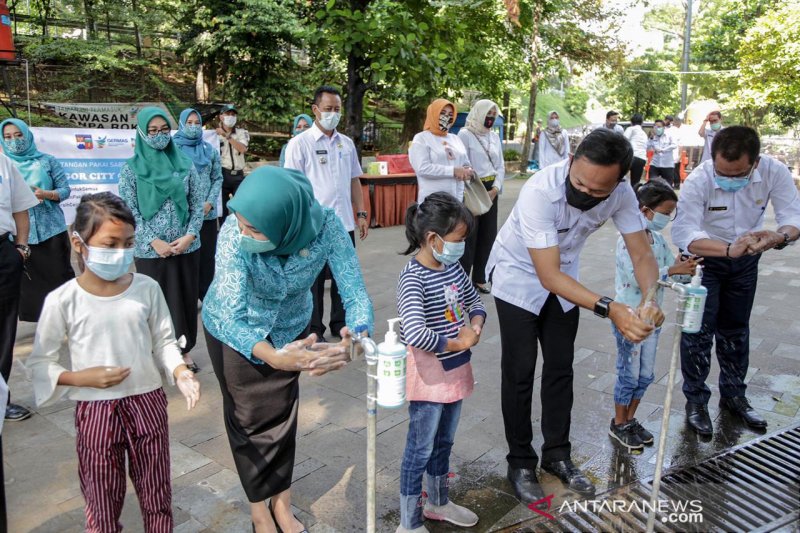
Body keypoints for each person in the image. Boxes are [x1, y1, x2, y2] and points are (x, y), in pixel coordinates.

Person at [485, 129, 663, 503]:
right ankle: (519, 461)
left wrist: (649, 298)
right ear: (570, 162)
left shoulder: (623, 195)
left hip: (567, 277)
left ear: (619, 183)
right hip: (519, 275)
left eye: (598, 192)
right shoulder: (540, 192)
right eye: (579, 182)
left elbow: (643, 254)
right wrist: (611, 307)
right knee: (519, 372)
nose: (584, 193)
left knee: (561, 368)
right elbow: (546, 276)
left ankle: (557, 456)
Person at [202, 167, 374, 533]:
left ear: (288, 220)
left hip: (291, 329)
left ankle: (282, 504)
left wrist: (355, 339)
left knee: (282, 417)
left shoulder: (326, 225)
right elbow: (232, 317)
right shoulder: (235, 232)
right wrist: (273, 356)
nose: (245, 233)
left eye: (256, 229)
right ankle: (259, 512)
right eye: (242, 225)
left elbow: (354, 289)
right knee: (248, 420)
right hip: (236, 330)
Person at [27, 192, 201, 533]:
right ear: (80, 243)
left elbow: (164, 340)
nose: (121, 253)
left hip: (147, 400)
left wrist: (180, 371)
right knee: (101, 494)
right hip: (94, 410)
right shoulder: (64, 300)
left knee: (156, 490)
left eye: (129, 243)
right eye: (110, 243)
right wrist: (80, 378)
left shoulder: (147, 288)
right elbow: (40, 363)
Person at [671, 126, 800, 436]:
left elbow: (793, 217)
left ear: (755, 162)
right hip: (702, 261)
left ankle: (734, 397)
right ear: (713, 159)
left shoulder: (774, 171)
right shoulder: (700, 180)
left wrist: (778, 236)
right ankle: (696, 402)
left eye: (737, 173)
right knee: (698, 333)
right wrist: (727, 249)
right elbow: (684, 233)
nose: (728, 179)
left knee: (736, 330)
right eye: (721, 172)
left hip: (745, 261)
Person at [396, 192, 485, 532]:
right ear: (433, 238)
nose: (461, 246)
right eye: (458, 239)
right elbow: (415, 332)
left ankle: (438, 502)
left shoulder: (452, 268)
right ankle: (409, 521)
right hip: (428, 375)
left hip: (456, 367)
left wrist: (474, 327)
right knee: (419, 448)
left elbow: (475, 301)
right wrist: (455, 341)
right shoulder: (412, 277)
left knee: (444, 442)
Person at [609, 181, 701, 452]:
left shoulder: (659, 241)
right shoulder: (626, 241)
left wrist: (688, 268)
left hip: (653, 319)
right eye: (665, 212)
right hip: (630, 317)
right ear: (646, 211)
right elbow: (636, 278)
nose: (667, 218)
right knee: (628, 374)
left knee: (646, 375)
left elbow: (674, 274)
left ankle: (630, 419)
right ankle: (619, 422)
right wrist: (671, 271)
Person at [118, 107, 205, 372]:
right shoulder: (130, 170)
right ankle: (157, 352)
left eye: (164, 130)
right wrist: (153, 240)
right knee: (154, 302)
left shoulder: (184, 164)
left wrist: (190, 235)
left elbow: (198, 203)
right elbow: (128, 210)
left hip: (185, 247)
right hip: (150, 250)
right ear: (142, 133)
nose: (159, 136)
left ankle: (183, 350)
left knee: (185, 299)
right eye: (153, 131)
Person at [284, 85, 370, 342]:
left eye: (337, 109)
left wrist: (362, 212)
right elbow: (292, 187)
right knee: (313, 281)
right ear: (315, 110)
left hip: (343, 224)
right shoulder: (299, 144)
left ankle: (341, 323)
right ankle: (313, 329)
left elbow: (355, 180)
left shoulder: (347, 144)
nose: (333, 114)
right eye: (328, 109)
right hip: (312, 226)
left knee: (344, 277)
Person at [1, 118, 74, 325]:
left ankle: (66, 319)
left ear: (27, 134)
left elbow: (65, 190)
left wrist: (47, 194)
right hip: (21, 235)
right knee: (29, 281)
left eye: (18, 135)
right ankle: (39, 323)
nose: (14, 140)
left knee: (58, 275)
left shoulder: (47, 161)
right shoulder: (5, 165)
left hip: (51, 229)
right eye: (8, 137)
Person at [0, 150, 37, 422]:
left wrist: (21, 248)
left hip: (3, 251)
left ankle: (2, 400)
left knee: (4, 330)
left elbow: (19, 206)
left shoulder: (2, 162)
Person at [173, 108, 223, 301]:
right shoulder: (173, 150)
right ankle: (188, 297)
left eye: (196, 122)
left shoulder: (208, 150)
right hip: (184, 215)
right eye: (189, 122)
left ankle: (208, 297)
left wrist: (210, 202)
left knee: (206, 258)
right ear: (181, 124)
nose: (193, 126)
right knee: (186, 257)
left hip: (207, 215)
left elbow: (217, 177)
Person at [457, 99, 505, 294]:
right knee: (470, 235)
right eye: (488, 114)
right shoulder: (465, 135)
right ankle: (462, 282)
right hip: (473, 187)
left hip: (491, 188)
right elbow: (462, 163)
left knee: (488, 234)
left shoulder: (493, 137)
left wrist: (496, 188)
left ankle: (480, 278)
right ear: (479, 113)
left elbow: (500, 165)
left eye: (493, 115)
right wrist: (473, 185)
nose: (491, 118)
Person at [409, 98, 475, 204]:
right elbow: (422, 168)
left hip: (457, 199)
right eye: (443, 113)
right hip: (433, 202)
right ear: (433, 114)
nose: (446, 117)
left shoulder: (455, 139)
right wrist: (453, 171)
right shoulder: (421, 138)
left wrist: (468, 170)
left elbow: (466, 163)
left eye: (450, 114)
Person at [216, 104, 249, 219]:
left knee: (241, 209)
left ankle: (241, 233)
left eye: (233, 114)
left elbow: (242, 149)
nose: (230, 116)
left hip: (238, 176)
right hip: (223, 174)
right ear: (221, 117)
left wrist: (227, 136)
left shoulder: (241, 133)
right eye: (227, 114)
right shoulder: (215, 135)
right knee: (222, 212)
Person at [647, 119, 678, 186]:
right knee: (652, 184)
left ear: (664, 127)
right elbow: (647, 147)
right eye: (655, 126)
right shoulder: (653, 137)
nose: (657, 128)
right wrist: (651, 138)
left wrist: (663, 150)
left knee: (667, 186)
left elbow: (674, 145)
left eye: (659, 127)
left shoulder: (669, 135)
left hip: (667, 165)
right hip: (655, 164)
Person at [623, 113, 648, 188]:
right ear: (642, 123)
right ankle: (634, 197)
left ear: (631, 122)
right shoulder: (644, 134)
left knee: (622, 179)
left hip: (631, 157)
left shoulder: (630, 129)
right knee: (635, 183)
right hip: (641, 159)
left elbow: (623, 141)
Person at [671, 117, 684, 188]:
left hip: (668, 154)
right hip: (676, 154)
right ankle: (676, 184)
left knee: (670, 170)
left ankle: (670, 183)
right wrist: (679, 156)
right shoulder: (679, 132)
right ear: (678, 123)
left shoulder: (667, 130)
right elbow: (681, 145)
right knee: (676, 170)